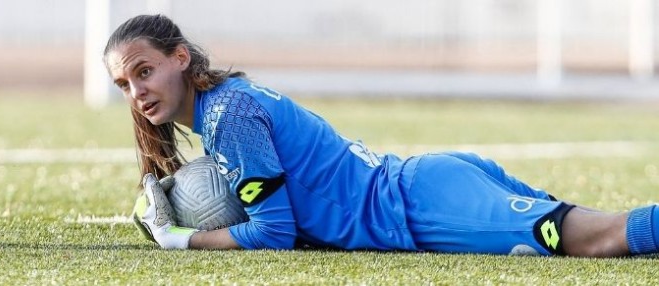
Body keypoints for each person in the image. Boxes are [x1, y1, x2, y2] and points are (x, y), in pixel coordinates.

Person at [105, 14, 655, 257]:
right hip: (425, 188)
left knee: (596, 239)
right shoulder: (227, 105)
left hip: (419, 206)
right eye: (124, 83)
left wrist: (182, 239)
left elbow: (272, 233)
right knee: (598, 233)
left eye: (145, 71)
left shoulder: (229, 117)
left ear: (181, 58)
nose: (137, 91)